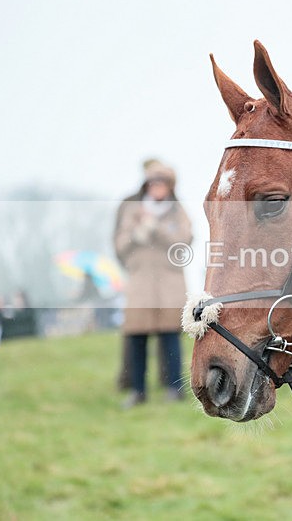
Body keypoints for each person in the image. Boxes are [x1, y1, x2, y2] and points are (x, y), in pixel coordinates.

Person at [114, 160, 193, 408]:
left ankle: (174, 388)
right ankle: (138, 390)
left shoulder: (178, 212)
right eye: (153, 183)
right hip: (140, 284)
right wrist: (138, 233)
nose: (157, 188)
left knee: (170, 337)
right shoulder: (133, 211)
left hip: (169, 285)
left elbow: (184, 240)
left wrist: (156, 228)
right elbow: (121, 245)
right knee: (137, 338)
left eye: (161, 184)